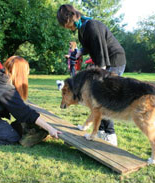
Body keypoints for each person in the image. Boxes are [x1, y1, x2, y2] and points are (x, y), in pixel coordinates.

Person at [57, 4, 127, 146]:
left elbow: (101, 53)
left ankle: (110, 134)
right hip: (103, 62)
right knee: (98, 99)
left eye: (66, 24)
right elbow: (88, 46)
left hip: (114, 61)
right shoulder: (82, 28)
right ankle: (100, 130)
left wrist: (99, 78)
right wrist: (80, 52)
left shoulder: (92, 26)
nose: (67, 27)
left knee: (103, 98)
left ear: (71, 16)